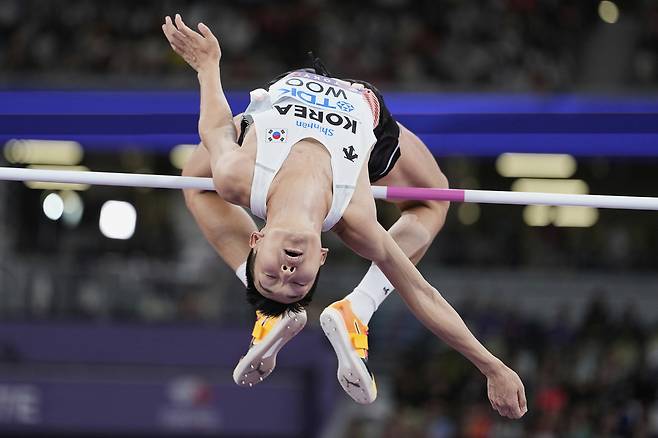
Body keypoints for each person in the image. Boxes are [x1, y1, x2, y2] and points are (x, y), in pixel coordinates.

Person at [162, 14, 527, 417]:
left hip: (278, 107)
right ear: (321, 257)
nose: (287, 272)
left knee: (196, 179)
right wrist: (492, 366)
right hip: (365, 115)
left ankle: (270, 313)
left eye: (271, 276)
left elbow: (214, 128)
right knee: (434, 198)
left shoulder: (237, 176)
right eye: (298, 284)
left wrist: (209, 66)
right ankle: (358, 309)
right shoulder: (357, 221)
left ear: (257, 239)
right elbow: (422, 293)